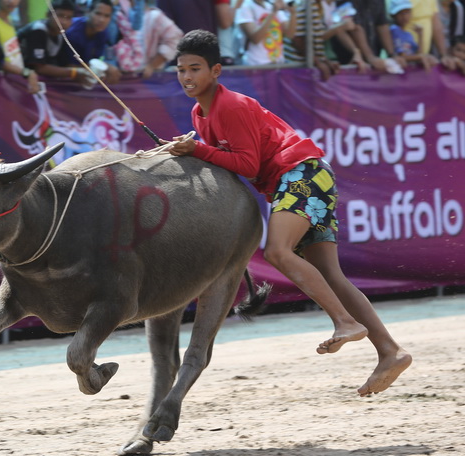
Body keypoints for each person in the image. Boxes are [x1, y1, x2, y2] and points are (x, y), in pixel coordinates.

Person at [167, 29, 412, 397]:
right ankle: (390, 351)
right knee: (331, 274)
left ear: (216, 70)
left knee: (279, 253)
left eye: (195, 69)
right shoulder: (200, 113)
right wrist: (195, 147)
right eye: (181, 69)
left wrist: (196, 151)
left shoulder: (229, 105)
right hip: (309, 175)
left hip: (301, 174)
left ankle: (344, 322)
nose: (187, 77)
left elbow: (248, 165)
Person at [17, 0, 94, 87]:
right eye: (60, 16)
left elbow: (64, 64)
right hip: (18, 79)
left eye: (68, 18)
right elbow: (39, 68)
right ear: (48, 15)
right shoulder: (38, 31)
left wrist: (90, 72)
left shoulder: (60, 35)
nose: (64, 22)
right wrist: (74, 72)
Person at [65, 0, 121, 83]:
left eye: (107, 16)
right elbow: (69, 66)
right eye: (98, 13)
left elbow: (94, 61)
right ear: (88, 12)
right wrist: (105, 67)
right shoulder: (72, 33)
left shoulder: (103, 32)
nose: (102, 20)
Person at [283, 0, 340, 80]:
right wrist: (318, 63)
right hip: (297, 72)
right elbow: (297, 40)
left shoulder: (316, 5)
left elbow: (316, 40)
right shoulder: (305, 5)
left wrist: (325, 61)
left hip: (304, 70)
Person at [0, 0, 40, 93]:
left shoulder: (9, 18)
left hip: (14, 82)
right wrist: (27, 73)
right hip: (1, 87)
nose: (12, 1)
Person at [235, 0, 297, 66]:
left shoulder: (271, 5)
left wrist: (293, 13)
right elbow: (256, 39)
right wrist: (273, 13)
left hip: (278, 64)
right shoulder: (245, 7)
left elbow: (290, 34)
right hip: (256, 66)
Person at [389, 0, 438, 71]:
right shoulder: (394, 30)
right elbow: (401, 57)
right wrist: (421, 57)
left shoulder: (408, 34)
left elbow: (418, 53)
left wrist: (420, 35)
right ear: (393, 16)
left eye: (407, 12)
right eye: (400, 13)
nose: (404, 16)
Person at [140, 0, 183, 77]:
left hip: (148, 79)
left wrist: (152, 65)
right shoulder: (119, 16)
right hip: (119, 79)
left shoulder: (153, 16)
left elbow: (175, 37)